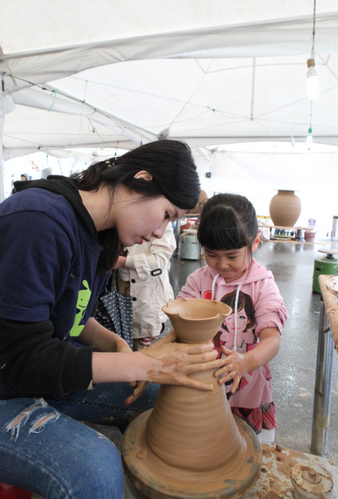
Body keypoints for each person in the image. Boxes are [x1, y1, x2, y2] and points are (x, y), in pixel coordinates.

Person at [0, 140, 228, 499]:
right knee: (96, 468)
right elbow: (19, 356)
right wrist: (145, 362)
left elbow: (66, 315)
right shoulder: (38, 221)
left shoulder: (101, 237)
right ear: (141, 179)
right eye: (167, 214)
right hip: (7, 386)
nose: (160, 232)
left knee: (163, 396)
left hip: (42, 376)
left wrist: (114, 345)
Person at [177, 193, 288, 445]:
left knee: (246, 454)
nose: (221, 264)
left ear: (255, 242)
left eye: (232, 256)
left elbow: (272, 339)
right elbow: (180, 318)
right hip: (203, 387)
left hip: (247, 393)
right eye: (212, 254)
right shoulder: (199, 281)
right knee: (202, 446)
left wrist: (247, 361)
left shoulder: (263, 286)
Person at [113, 222, 176, 351]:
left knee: (140, 348)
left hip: (146, 300)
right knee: (119, 346)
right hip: (121, 293)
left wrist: (123, 262)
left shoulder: (162, 224)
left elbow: (159, 261)